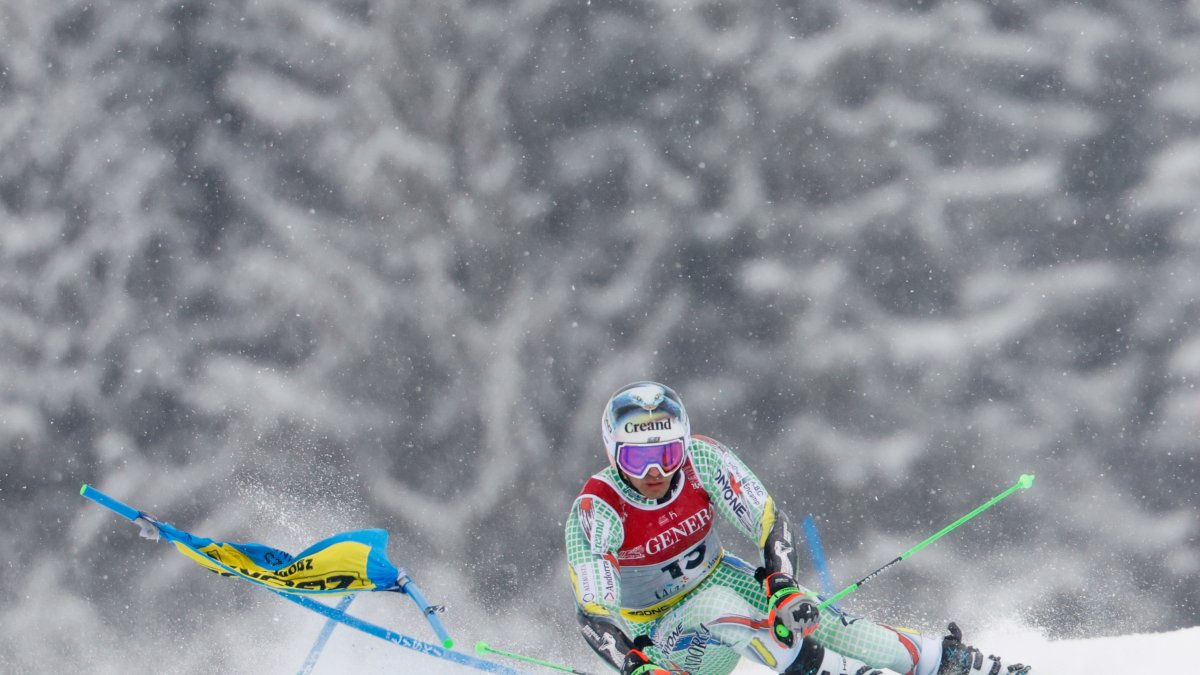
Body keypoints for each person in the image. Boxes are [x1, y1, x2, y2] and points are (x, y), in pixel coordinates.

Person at [565, 381, 1030, 675]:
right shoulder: (598, 509)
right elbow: (593, 614)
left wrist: (783, 586)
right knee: (722, 605)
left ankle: (945, 662)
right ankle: (831, 672)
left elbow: (768, 521)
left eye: (666, 454)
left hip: (720, 574)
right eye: (637, 458)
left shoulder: (702, 459)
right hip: (664, 635)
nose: (654, 472)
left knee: (815, 617)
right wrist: (634, 663)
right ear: (613, 452)